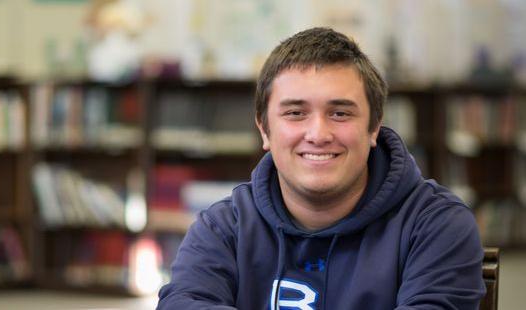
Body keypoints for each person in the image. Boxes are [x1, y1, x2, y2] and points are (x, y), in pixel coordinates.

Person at [157, 27, 485, 309]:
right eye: (295, 113)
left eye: (340, 113)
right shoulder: (223, 228)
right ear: (264, 129)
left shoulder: (436, 225)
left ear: (374, 128)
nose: (318, 135)